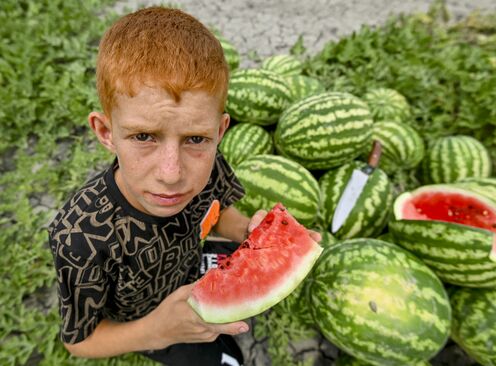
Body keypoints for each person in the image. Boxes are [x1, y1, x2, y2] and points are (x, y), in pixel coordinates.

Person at [47, 6, 319, 365]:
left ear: (219, 132)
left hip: (192, 270)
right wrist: (159, 330)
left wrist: (250, 234)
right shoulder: (79, 238)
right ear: (106, 132)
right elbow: (80, 341)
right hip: (145, 322)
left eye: (195, 139)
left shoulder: (207, 168)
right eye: (144, 136)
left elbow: (218, 213)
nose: (172, 173)